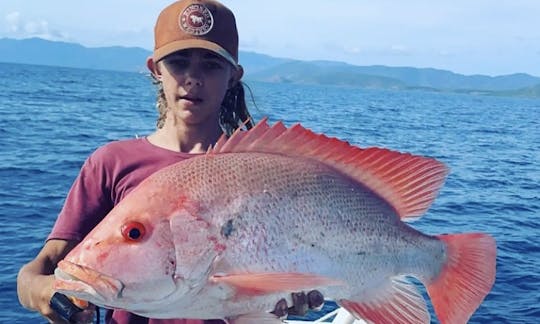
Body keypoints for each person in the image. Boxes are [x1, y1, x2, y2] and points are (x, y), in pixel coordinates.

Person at [17, 0, 323, 323]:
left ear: (234, 76)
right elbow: (32, 276)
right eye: (178, 62)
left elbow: (258, 298)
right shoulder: (111, 164)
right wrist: (48, 294)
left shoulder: (258, 168)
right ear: (155, 69)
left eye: (211, 64)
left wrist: (287, 295)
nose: (193, 78)